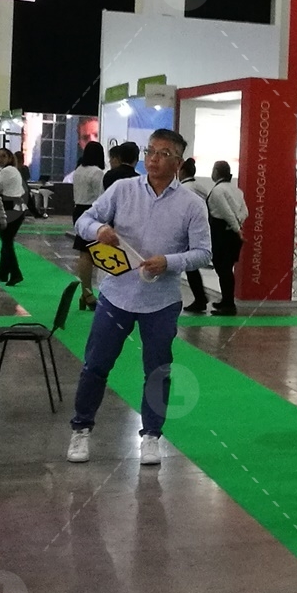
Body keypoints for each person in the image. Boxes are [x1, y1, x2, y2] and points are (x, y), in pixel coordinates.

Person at [67, 129, 212, 467]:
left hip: (161, 301)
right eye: (150, 151)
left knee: (158, 371)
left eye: (163, 153)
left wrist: (169, 262)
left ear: (178, 162)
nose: (153, 158)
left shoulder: (191, 204)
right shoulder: (123, 190)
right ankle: (81, 429)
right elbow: (84, 220)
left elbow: (204, 253)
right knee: (95, 365)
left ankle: (151, 436)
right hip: (116, 295)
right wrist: (99, 230)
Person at [206, 160, 248, 316]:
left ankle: (229, 304)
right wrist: (237, 224)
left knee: (223, 269)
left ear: (217, 172)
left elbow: (226, 212)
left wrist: (235, 227)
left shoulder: (218, 190)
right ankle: (226, 299)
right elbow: (245, 212)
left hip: (221, 234)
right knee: (226, 268)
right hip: (231, 234)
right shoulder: (237, 190)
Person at [71, 140, 108, 310]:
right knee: (91, 254)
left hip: (78, 210)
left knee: (84, 253)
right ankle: (87, 294)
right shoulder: (97, 172)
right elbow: (102, 196)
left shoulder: (78, 170)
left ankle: (85, 293)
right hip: (92, 212)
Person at [178, 158, 215, 313]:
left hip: (187, 231)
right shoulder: (200, 187)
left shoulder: (183, 189)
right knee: (192, 266)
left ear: (182, 171)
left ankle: (200, 298)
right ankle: (200, 297)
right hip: (202, 229)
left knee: (190, 267)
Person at [0, 148, 28, 287]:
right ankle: (3, 272)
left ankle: (16, 274)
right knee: (6, 241)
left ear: (10, 158)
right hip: (16, 208)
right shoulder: (13, 170)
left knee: (7, 243)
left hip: (9, 209)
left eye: (3, 156)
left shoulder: (6, 171)